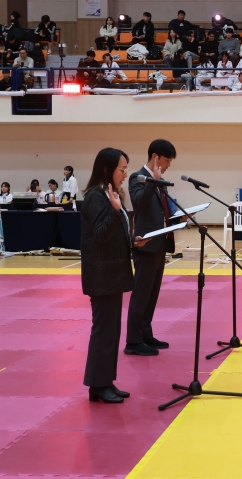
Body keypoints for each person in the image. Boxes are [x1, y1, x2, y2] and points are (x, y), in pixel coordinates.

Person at [81, 147, 150, 403]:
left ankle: (105, 382)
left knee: (111, 331)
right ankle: (97, 386)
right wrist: (113, 209)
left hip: (113, 274)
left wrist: (133, 241)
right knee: (103, 331)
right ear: (107, 169)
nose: (125, 173)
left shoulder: (109, 195)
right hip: (102, 276)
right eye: (122, 169)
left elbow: (111, 236)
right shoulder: (96, 197)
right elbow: (99, 235)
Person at [126, 139, 177, 357]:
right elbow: (138, 202)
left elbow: (164, 210)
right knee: (141, 294)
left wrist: (179, 216)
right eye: (167, 160)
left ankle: (145, 334)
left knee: (152, 294)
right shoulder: (138, 178)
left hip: (159, 243)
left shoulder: (160, 181)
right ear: (155, 157)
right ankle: (133, 341)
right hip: (145, 244)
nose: (168, 165)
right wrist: (152, 182)